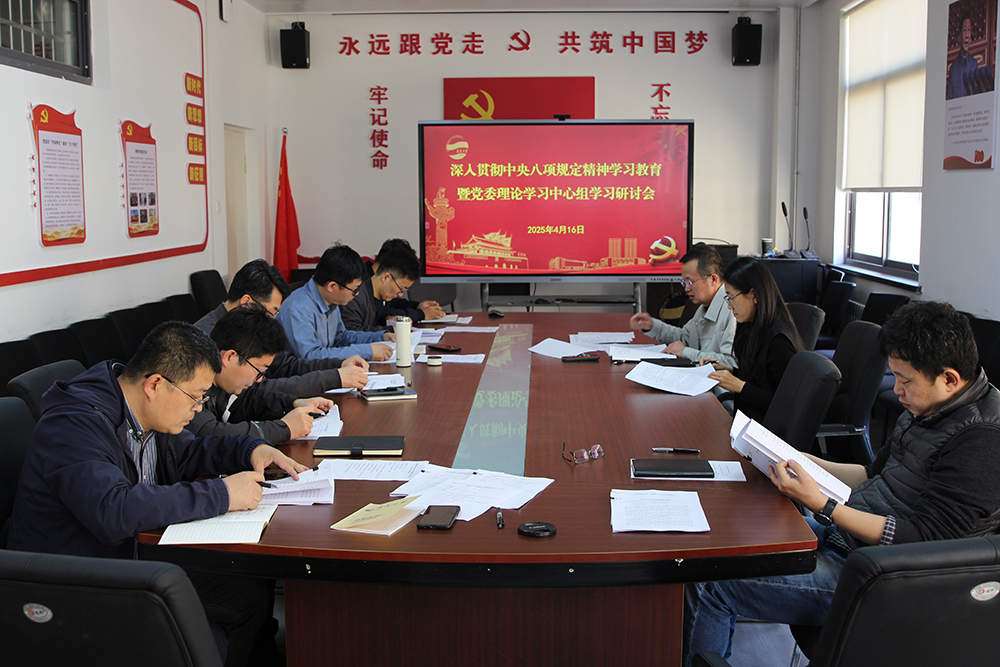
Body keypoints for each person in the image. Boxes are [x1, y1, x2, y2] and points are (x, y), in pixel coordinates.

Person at [683, 300, 1000, 667]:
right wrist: (798, 459)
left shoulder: (982, 439)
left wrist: (825, 505)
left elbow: (926, 540)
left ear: (949, 379)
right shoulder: (930, 406)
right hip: (852, 541)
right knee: (716, 546)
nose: (897, 390)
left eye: (906, 380)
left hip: (885, 579)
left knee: (711, 581)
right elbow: (871, 473)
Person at [8, 321, 308, 667]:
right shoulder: (74, 424)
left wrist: (251, 448)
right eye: (195, 396)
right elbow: (112, 509)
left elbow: (190, 453)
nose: (199, 408)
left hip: (131, 557)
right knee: (209, 620)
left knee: (245, 592)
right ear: (155, 384)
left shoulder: (146, 412)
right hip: (75, 581)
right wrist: (222, 494)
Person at [195, 259, 369, 391]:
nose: (273, 319)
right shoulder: (205, 340)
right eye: (271, 312)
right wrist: (333, 378)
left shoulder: (249, 328)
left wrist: (338, 365)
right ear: (247, 302)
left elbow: (285, 365)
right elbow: (257, 391)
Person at [188, 305, 334, 442]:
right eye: (259, 371)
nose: (258, 379)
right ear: (230, 357)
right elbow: (210, 433)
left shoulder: (224, 381)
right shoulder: (189, 380)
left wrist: (294, 403)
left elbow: (250, 400)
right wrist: (285, 428)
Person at [705, 256, 802, 421]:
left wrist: (739, 386)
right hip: (745, 419)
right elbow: (759, 378)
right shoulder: (751, 325)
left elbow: (788, 404)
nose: (729, 305)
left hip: (764, 428)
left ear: (754, 295)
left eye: (731, 297)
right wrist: (732, 371)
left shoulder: (779, 341)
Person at [277, 244, 396, 362]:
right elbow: (311, 356)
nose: (357, 294)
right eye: (354, 290)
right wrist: (366, 351)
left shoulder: (330, 300)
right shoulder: (299, 308)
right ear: (332, 286)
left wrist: (380, 336)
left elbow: (341, 338)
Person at [629, 243, 736, 366]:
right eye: (684, 282)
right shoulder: (703, 307)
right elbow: (684, 338)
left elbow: (731, 362)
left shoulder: (732, 310)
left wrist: (686, 352)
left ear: (713, 279)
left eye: (690, 282)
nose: (686, 289)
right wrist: (653, 326)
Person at [342, 245, 421, 332]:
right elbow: (351, 333)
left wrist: (387, 320)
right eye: (401, 289)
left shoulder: (374, 296)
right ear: (386, 277)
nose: (400, 294)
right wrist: (388, 330)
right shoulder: (355, 296)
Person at [366, 238, 446, 323]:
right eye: (401, 289)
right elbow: (381, 313)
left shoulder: (383, 285)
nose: (400, 294)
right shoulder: (362, 283)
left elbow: (394, 303)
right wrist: (420, 314)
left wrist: (417, 306)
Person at [947, 13, 980, 99]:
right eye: (965, 30)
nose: (967, 35)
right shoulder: (953, 68)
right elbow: (949, 98)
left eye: (969, 30)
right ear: (960, 36)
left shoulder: (974, 64)